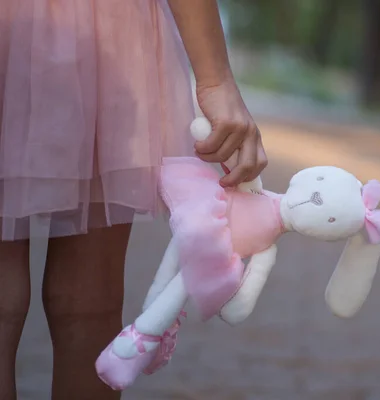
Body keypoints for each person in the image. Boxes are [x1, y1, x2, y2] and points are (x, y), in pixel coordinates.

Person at [0, 1, 267, 399]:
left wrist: (216, 80)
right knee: (88, 301)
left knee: (81, 298)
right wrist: (215, 79)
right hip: (105, 30)